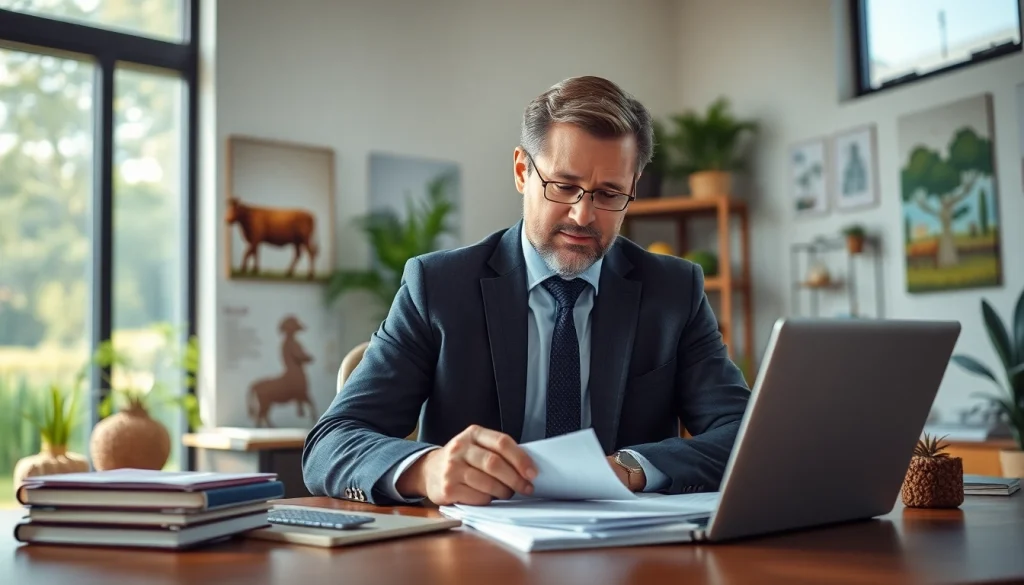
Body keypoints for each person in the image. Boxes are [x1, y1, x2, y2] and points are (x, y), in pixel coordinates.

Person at [302, 75, 751, 506]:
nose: (582, 216)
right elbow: (332, 442)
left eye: (609, 193)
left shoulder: (673, 291)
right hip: (469, 555)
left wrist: (631, 467)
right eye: (564, 186)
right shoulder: (438, 287)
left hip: (627, 551)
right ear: (522, 171)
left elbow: (745, 433)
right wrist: (428, 469)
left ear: (633, 189)